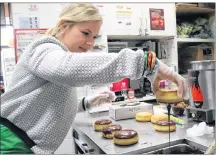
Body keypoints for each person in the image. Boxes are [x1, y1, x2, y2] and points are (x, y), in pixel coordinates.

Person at [0, 3, 187, 154]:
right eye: (85, 33)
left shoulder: (57, 54)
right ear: (64, 25)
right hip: (10, 142)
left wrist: (85, 103)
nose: (90, 43)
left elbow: (47, 99)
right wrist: (146, 62)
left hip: (23, 144)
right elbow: (67, 69)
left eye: (94, 37)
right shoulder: (42, 49)